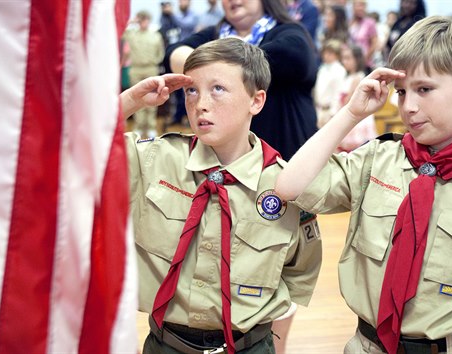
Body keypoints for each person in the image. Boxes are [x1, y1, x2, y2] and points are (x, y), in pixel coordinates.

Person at [275, 16, 452, 354]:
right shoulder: (377, 160)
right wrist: (351, 114)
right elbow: (290, 186)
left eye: (424, 89)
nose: (408, 106)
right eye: (402, 91)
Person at [124, 38, 322, 354]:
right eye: (191, 90)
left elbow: (298, 272)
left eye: (218, 89)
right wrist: (130, 101)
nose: (201, 103)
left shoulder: (284, 183)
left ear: (256, 101)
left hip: (250, 346)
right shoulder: (157, 160)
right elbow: (79, 148)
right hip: (166, 344)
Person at [164, 0, 319, 161]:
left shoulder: (290, 33)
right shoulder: (214, 35)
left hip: (286, 159)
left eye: (218, 88)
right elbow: (172, 54)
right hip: (226, 164)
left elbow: (294, 57)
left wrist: (208, 67)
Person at [122, 10, 164, 137]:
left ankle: (151, 126)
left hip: (151, 69)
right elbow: (119, 29)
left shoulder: (156, 36)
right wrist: (132, 21)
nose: (144, 21)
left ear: (149, 20)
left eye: (146, 19)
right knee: (137, 98)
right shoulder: (131, 34)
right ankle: (139, 127)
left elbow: (160, 53)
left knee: (153, 98)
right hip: (136, 69)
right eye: (141, 19)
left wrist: (154, 62)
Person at [314, 39, 347, 128]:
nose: (326, 56)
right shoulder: (322, 68)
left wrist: (333, 113)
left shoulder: (340, 70)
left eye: (330, 53)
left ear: (337, 55)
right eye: (325, 52)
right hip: (318, 109)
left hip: (329, 111)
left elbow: (338, 93)